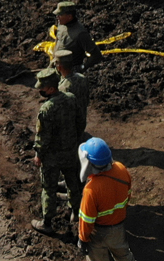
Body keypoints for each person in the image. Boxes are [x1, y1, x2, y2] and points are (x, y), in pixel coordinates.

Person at [31, 68, 85, 235]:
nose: (40, 90)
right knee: (73, 182)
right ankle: (76, 213)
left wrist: (39, 154)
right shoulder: (71, 99)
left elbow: (43, 137)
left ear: (51, 89)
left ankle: (47, 222)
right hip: (70, 152)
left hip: (52, 157)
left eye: (42, 88)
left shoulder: (46, 109)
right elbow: (80, 122)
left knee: (49, 188)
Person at [76, 137, 134, 261]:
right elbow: (128, 195)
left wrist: (83, 239)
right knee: (124, 255)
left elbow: (86, 219)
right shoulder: (121, 169)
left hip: (99, 232)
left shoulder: (91, 190)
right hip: (118, 228)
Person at [54, 1, 101, 69]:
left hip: (69, 73)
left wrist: (82, 67)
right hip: (56, 67)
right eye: (57, 15)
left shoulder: (80, 33)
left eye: (60, 15)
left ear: (69, 16)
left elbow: (96, 55)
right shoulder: (61, 24)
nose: (57, 17)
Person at [55, 49, 90, 129]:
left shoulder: (63, 87)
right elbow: (87, 100)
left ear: (59, 67)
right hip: (82, 122)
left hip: (69, 129)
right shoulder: (82, 78)